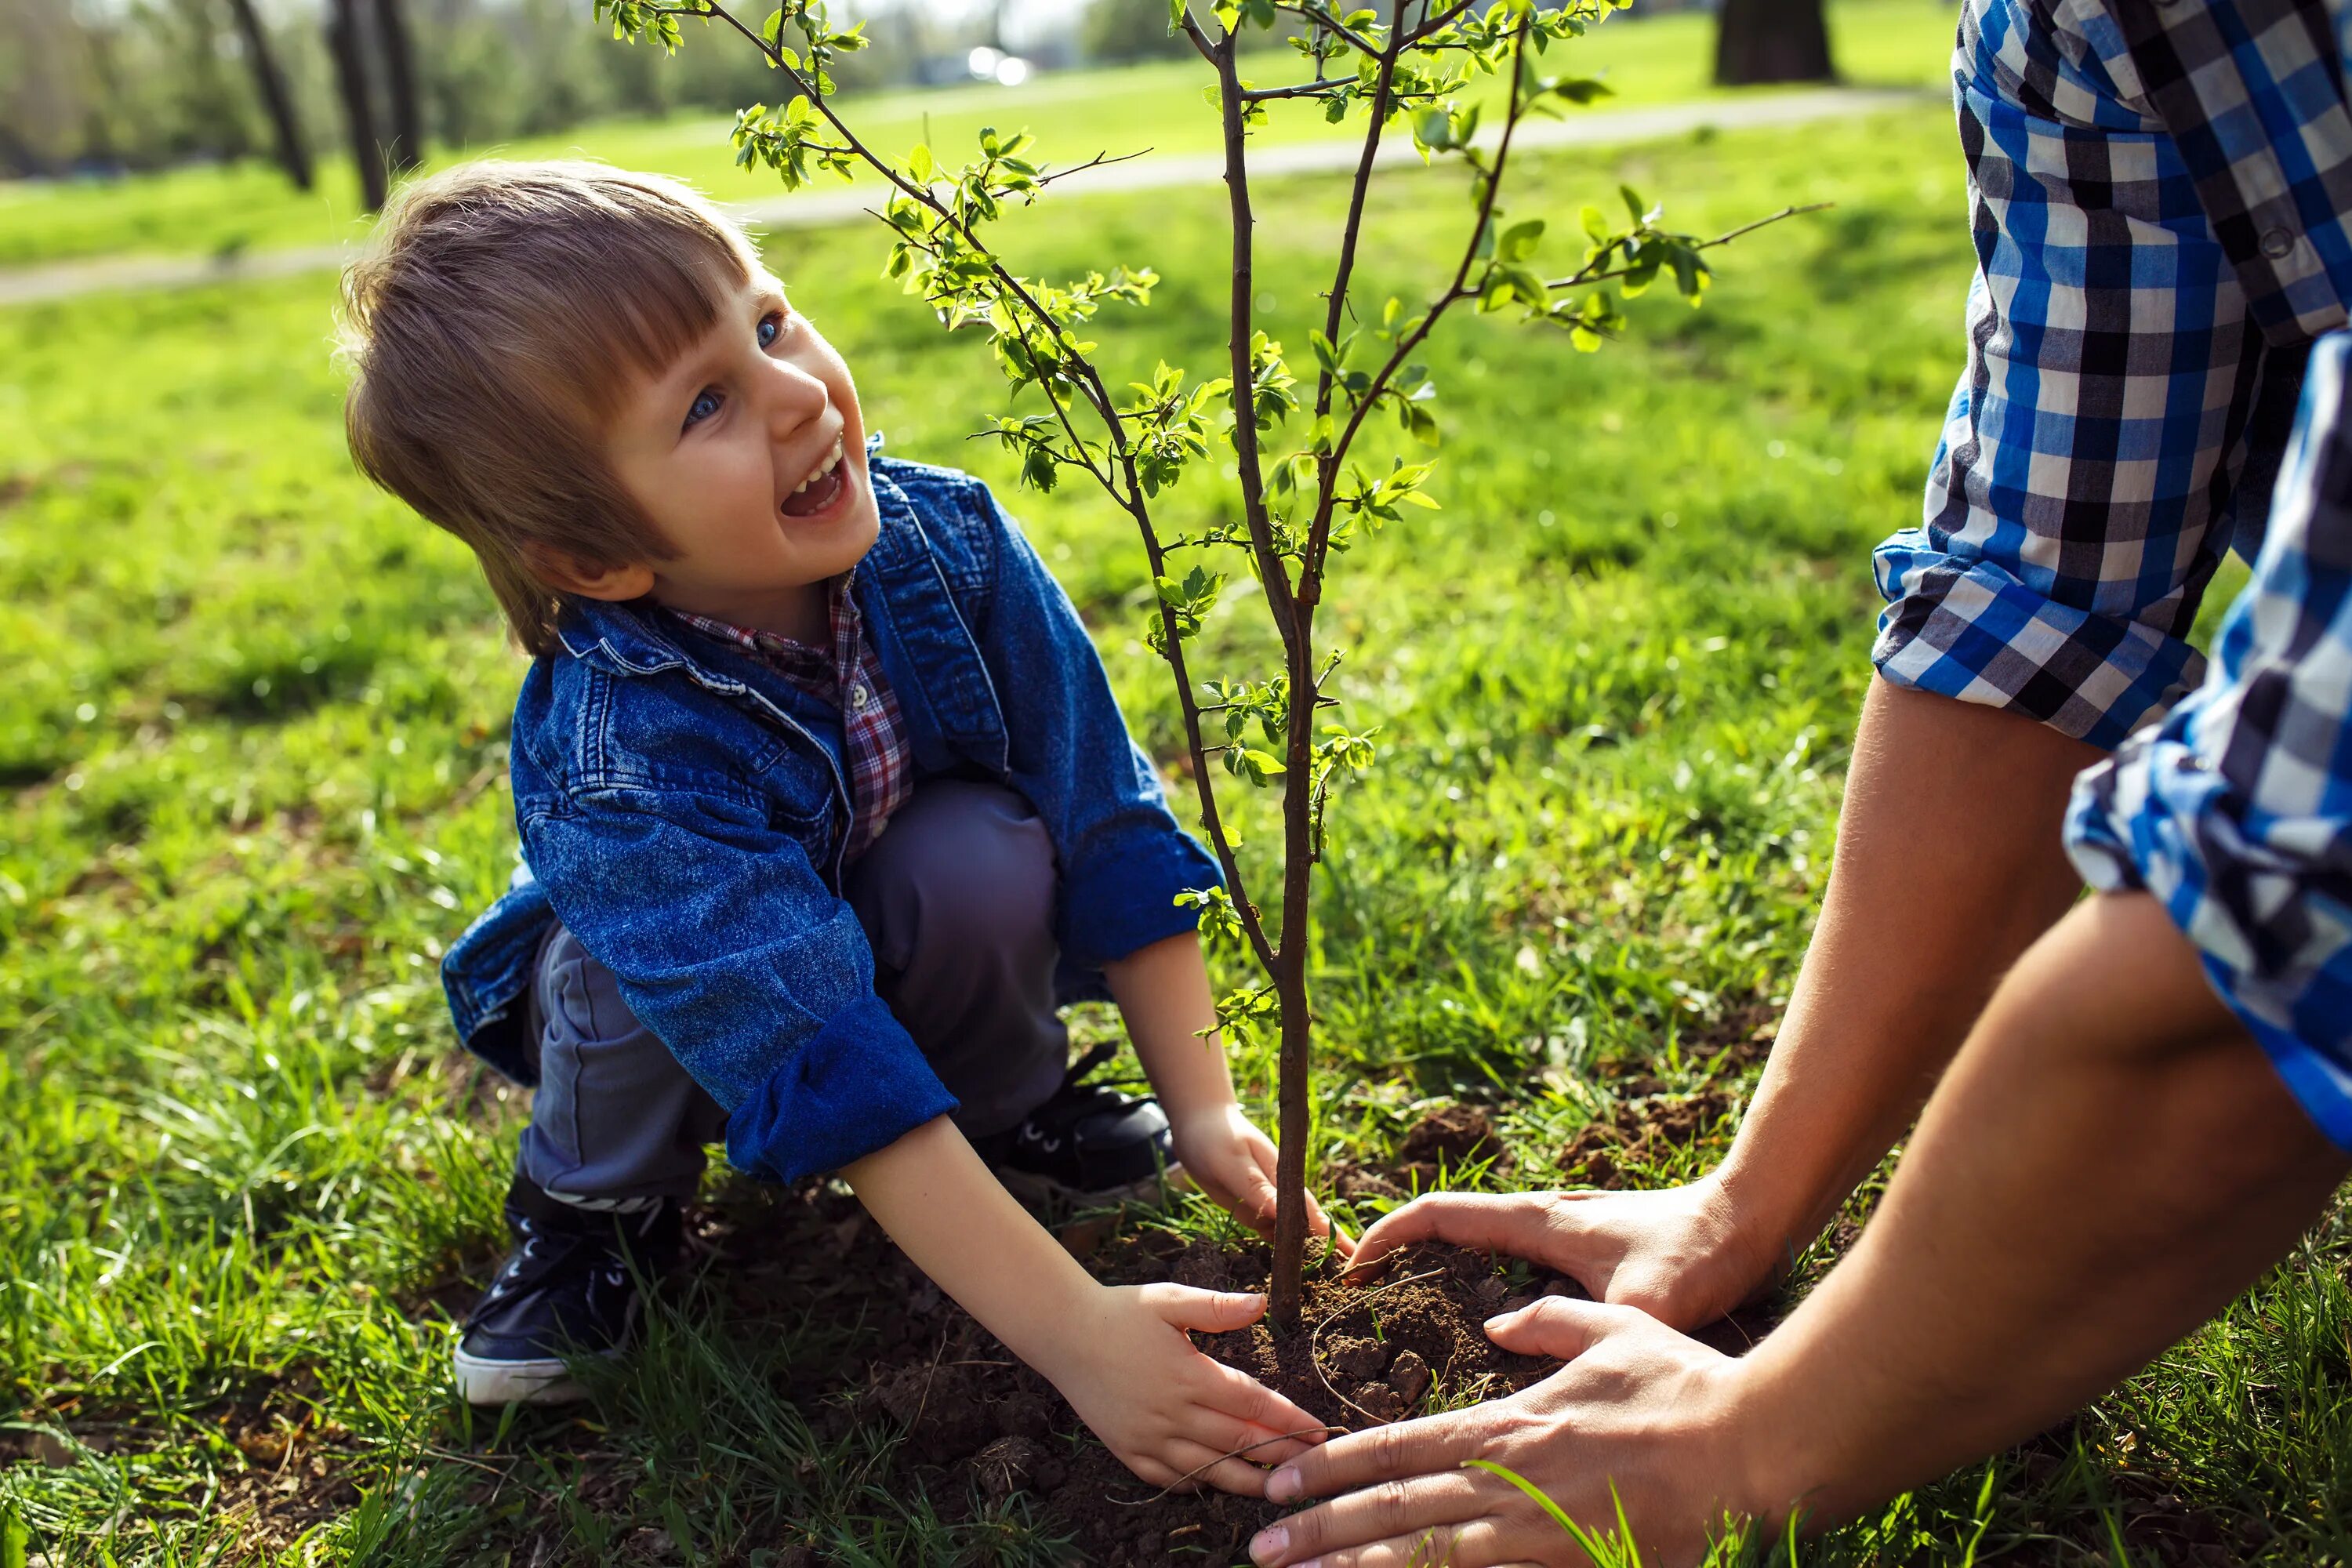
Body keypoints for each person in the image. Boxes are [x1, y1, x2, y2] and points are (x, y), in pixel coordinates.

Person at [1242, 0, 2352, 1560]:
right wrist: (1747, 1199)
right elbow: (2039, 598)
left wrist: (1761, 1438)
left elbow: (2286, 916)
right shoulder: (2071, 27)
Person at [336, 159, 1342, 1494]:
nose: (801, 393)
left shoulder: (952, 545)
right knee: (617, 968)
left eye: (768, 323)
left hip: (876, 927)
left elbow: (1107, 819)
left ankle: (1002, 1115)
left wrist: (1205, 1111)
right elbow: (805, 1037)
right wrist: (1079, 1334)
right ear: (595, 560)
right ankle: (595, 1217)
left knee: (981, 849)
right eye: (707, 404)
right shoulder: (617, 765)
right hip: (691, 1018)